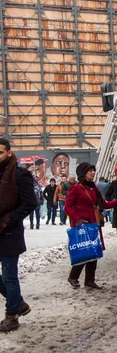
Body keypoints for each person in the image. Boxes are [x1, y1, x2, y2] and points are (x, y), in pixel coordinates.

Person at [65, 162, 117, 289]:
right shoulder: (76, 188)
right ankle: (73, 276)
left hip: (93, 224)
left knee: (93, 251)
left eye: (93, 170)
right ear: (83, 173)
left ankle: (89, 280)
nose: (93, 173)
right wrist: (78, 219)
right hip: (81, 225)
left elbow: (105, 204)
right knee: (84, 251)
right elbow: (67, 207)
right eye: (90, 171)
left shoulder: (94, 188)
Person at [0, 138, 37, 332]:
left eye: (0, 152)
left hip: (10, 232)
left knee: (9, 277)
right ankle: (19, 303)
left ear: (9, 152)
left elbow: (30, 203)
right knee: (6, 278)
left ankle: (11, 316)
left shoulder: (20, 174)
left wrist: (9, 218)